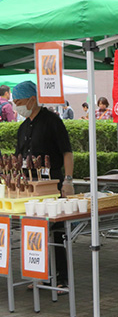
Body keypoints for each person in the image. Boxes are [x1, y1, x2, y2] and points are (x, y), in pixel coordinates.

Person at [13, 80, 74, 291]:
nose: (15, 105)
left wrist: (68, 180)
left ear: (32, 99)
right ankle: (41, 274)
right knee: (36, 230)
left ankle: (62, 277)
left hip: (52, 184)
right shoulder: (22, 127)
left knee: (57, 230)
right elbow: (18, 156)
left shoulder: (52, 121)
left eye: (18, 101)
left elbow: (67, 152)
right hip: (30, 186)